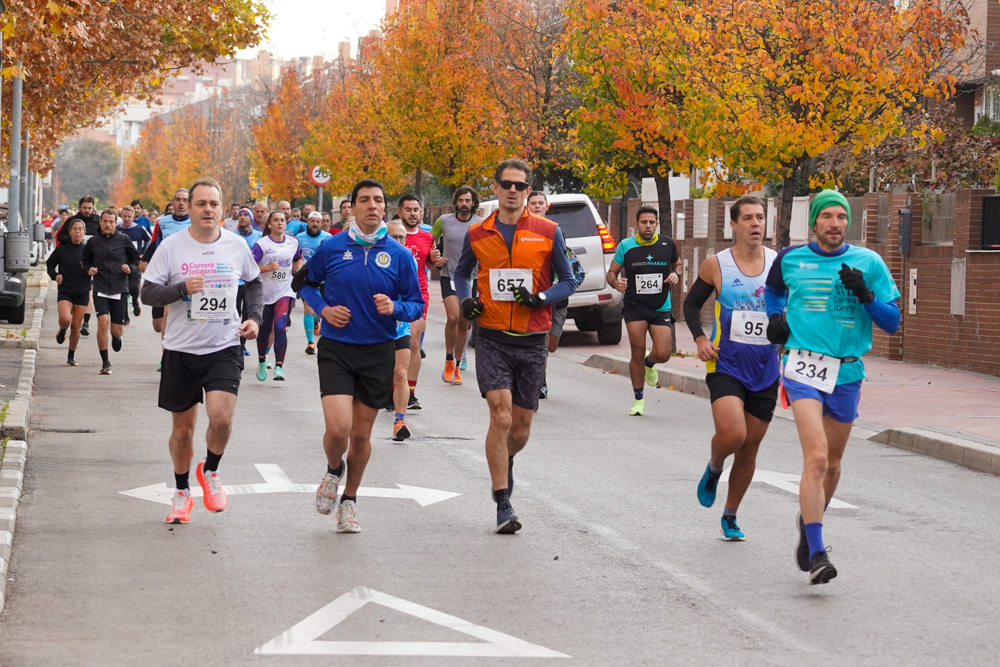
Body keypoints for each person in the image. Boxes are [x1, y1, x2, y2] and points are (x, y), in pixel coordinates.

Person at [765, 189, 900, 584]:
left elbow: (892, 322)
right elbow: (773, 291)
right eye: (827, 216)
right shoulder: (791, 259)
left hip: (847, 372)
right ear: (815, 222)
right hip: (802, 367)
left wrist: (866, 296)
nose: (835, 223)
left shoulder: (868, 262)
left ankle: (809, 524)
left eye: (841, 217)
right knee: (818, 458)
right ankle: (819, 552)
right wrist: (775, 318)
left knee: (835, 464)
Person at [453, 159, 578, 534]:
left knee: (520, 429)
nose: (512, 190)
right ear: (495, 187)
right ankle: (502, 500)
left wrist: (541, 297)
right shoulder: (478, 232)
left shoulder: (548, 231)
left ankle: (505, 461)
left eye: (519, 186)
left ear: (528, 191)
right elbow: (462, 273)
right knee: (501, 416)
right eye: (506, 184)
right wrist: (466, 300)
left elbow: (568, 280)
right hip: (491, 337)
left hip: (532, 340)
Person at [299, 178, 423, 533]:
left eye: (378, 200)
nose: (372, 205)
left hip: (378, 351)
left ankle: (349, 501)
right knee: (338, 429)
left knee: (361, 436)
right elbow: (305, 284)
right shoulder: (332, 247)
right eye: (365, 200)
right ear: (352, 207)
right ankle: (333, 469)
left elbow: (416, 304)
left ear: (385, 208)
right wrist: (324, 309)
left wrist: (395, 307)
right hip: (337, 348)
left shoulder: (399, 255)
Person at [141, 178, 263, 525]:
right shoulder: (171, 247)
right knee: (183, 431)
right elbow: (147, 293)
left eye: (214, 203)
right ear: (189, 208)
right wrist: (181, 288)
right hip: (181, 349)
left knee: (221, 418)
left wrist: (254, 318)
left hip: (224, 346)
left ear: (222, 208)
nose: (208, 210)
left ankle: (210, 470)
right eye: (201, 204)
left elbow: (254, 283)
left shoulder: (236, 245)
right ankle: (182, 493)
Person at [684, 196, 779, 541]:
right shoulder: (717, 264)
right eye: (748, 218)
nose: (756, 223)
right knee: (733, 435)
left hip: (766, 368)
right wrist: (699, 338)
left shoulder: (778, 263)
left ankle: (730, 514)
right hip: (726, 363)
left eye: (760, 217)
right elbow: (691, 303)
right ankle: (714, 467)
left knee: (749, 448)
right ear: (734, 225)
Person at [606, 205, 681, 416]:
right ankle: (638, 400)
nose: (648, 226)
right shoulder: (626, 246)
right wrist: (615, 283)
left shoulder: (667, 243)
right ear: (636, 224)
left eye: (651, 222)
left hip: (660, 306)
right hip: (635, 306)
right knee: (637, 351)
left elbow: (677, 264)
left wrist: (676, 274)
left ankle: (651, 362)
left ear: (656, 224)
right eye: (644, 222)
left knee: (663, 353)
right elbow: (611, 273)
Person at [431, 185, 482, 382]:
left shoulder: (480, 224)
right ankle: (449, 360)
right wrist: (434, 256)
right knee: (452, 317)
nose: (464, 204)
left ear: (473, 202)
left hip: (472, 278)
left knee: (464, 322)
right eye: (461, 200)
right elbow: (429, 240)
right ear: (456, 202)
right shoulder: (444, 221)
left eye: (467, 200)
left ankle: (458, 364)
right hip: (449, 276)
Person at [83, 208, 140, 375]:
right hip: (100, 286)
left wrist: (129, 268)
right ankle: (105, 362)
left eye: (111, 222)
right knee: (102, 322)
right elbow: (86, 261)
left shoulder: (124, 239)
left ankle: (116, 337)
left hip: (119, 287)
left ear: (116, 223)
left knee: (116, 329)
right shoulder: (93, 241)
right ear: (100, 222)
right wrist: (89, 269)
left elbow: (135, 259)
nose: (108, 224)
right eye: (105, 221)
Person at [399, 195, 441, 405]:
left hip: (418, 295)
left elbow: (429, 265)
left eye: (416, 210)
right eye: (408, 210)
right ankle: (394, 388)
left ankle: (410, 392)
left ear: (421, 213)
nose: (412, 213)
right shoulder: (391, 234)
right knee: (394, 344)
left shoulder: (427, 237)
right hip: (394, 294)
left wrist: (434, 261)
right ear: (400, 213)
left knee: (414, 343)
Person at [252, 211, 302, 381]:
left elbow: (297, 258)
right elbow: (249, 268)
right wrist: (267, 268)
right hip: (265, 292)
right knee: (265, 329)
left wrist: (298, 270)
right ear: (269, 224)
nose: (280, 223)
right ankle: (261, 360)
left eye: (282, 220)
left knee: (280, 327)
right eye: (276, 220)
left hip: (285, 290)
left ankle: (279, 367)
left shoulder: (293, 243)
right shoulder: (261, 245)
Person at [142, 189, 192, 339]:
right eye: (178, 199)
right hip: (164, 272)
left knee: (171, 314)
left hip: (186, 274)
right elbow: (156, 245)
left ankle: (169, 350)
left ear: (189, 203)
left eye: (185, 200)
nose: (181, 203)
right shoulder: (162, 222)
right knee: (158, 324)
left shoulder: (194, 222)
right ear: (172, 202)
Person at [385, 220, 415, 441]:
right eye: (392, 237)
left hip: (400, 326)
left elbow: (415, 295)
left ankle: (399, 421)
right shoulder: (374, 259)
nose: (397, 241)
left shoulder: (408, 259)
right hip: (374, 328)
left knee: (401, 373)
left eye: (401, 237)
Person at [46, 218, 91, 366]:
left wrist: (93, 270)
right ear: (70, 231)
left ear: (84, 232)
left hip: (82, 291)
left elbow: (96, 266)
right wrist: (55, 276)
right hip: (66, 290)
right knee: (66, 319)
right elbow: (50, 264)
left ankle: (71, 355)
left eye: (80, 229)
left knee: (76, 326)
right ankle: (62, 329)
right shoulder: (62, 249)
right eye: (75, 229)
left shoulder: (88, 251)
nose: (77, 232)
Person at [296, 211, 332, 355]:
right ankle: (310, 343)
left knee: (321, 310)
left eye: (318, 221)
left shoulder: (328, 238)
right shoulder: (299, 238)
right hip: (307, 279)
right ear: (307, 222)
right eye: (312, 221)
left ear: (321, 223)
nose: (315, 224)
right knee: (308, 308)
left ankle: (316, 319)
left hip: (324, 279)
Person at [230, 207, 263, 355]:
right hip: (236, 282)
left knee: (247, 313)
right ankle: (234, 342)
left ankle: (242, 344)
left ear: (251, 218)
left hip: (251, 280)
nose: (242, 217)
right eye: (241, 215)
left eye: (246, 215)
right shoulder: (232, 236)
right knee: (235, 312)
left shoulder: (259, 235)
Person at [117, 205, 152, 323]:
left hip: (135, 262)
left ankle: (135, 301)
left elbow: (149, 240)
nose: (127, 219)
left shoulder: (140, 229)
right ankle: (125, 316)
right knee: (123, 290)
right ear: (121, 216)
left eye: (129, 217)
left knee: (133, 287)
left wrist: (144, 255)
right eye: (125, 216)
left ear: (133, 217)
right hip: (121, 262)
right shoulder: (117, 229)